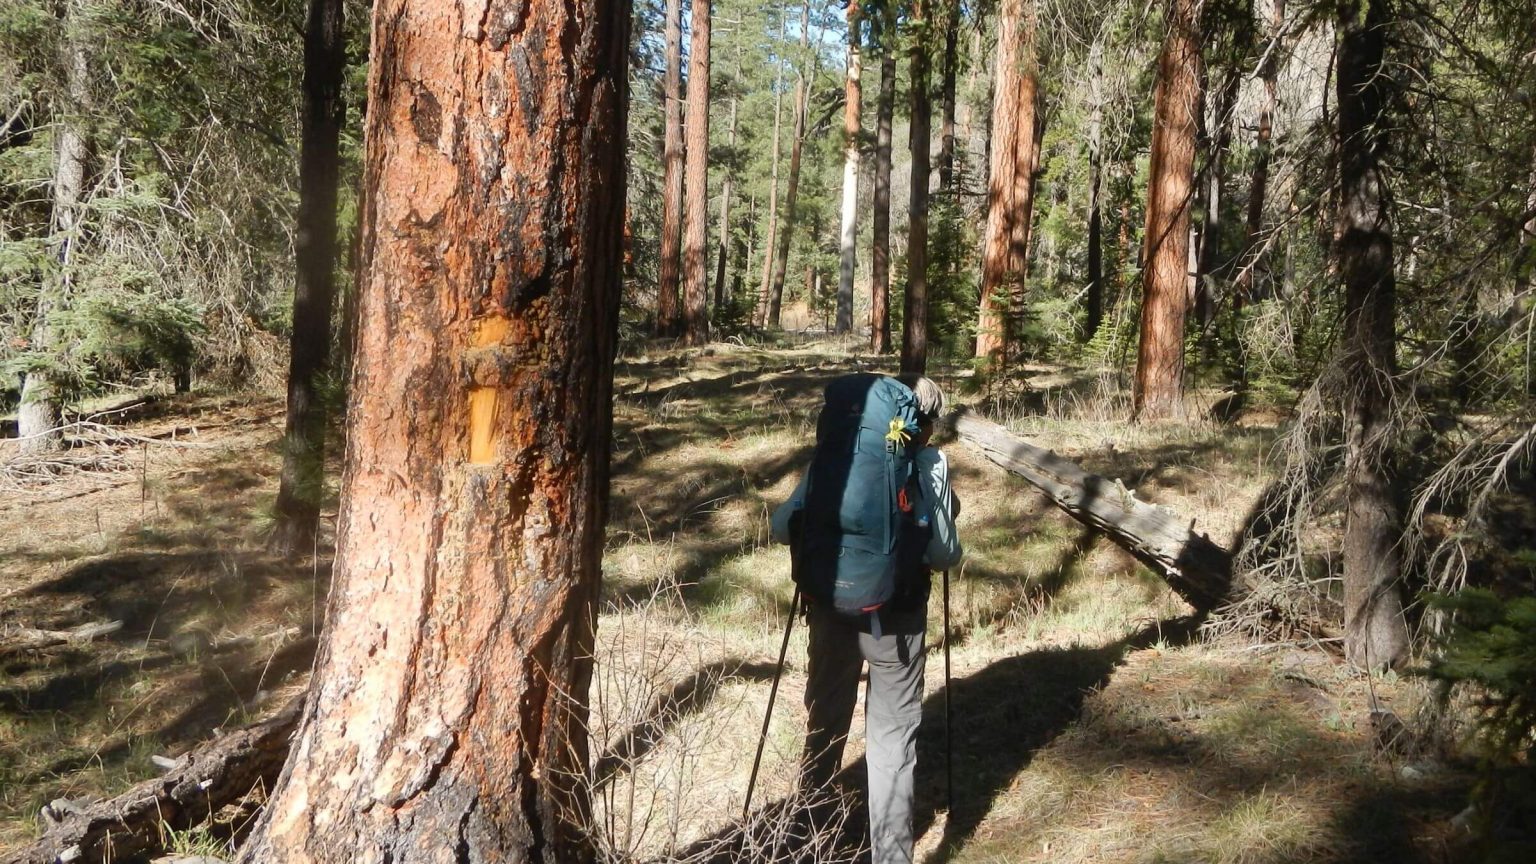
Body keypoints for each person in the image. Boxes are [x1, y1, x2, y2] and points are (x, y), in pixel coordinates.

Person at [770, 374, 962, 864]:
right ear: (924, 424)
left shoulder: (837, 458)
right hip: (896, 618)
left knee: (825, 720)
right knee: (892, 738)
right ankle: (891, 856)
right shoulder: (929, 462)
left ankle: (809, 836)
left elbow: (779, 526)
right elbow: (943, 554)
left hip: (829, 608)